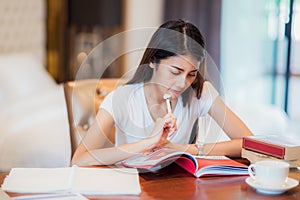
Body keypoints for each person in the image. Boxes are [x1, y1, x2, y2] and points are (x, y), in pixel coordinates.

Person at [71, 19, 253, 166]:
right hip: (132, 188)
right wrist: (148, 143)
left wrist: (183, 149)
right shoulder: (122, 99)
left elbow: (251, 144)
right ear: (152, 61)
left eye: (191, 74)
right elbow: (79, 160)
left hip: (178, 187)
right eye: (175, 71)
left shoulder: (199, 92)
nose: (183, 83)